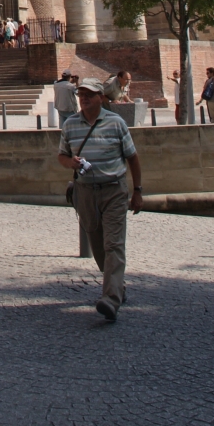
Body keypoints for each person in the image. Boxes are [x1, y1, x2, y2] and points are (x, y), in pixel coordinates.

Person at [58, 77, 143, 323]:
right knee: (97, 244)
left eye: (89, 95)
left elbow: (133, 158)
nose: (84, 99)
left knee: (113, 244)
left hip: (114, 189)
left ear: (101, 98)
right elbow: (62, 155)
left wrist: (137, 191)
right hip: (85, 191)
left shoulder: (116, 123)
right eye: (81, 95)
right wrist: (70, 163)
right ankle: (117, 285)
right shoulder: (71, 124)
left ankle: (111, 299)